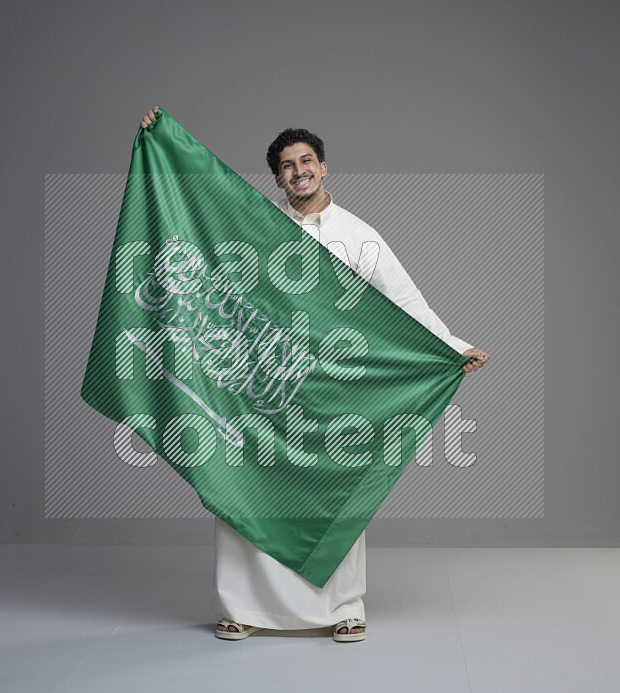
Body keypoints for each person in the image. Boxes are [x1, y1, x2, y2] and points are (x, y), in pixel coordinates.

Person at [140, 108, 491, 641]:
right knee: (245, 482)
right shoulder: (259, 227)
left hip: (332, 387)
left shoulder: (358, 235)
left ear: (324, 168)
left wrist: (451, 346)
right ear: (277, 179)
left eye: (306, 160)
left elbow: (403, 300)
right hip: (262, 382)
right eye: (286, 165)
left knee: (334, 487)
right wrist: (159, 140)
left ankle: (343, 608)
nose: (297, 170)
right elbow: (201, 216)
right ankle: (242, 609)